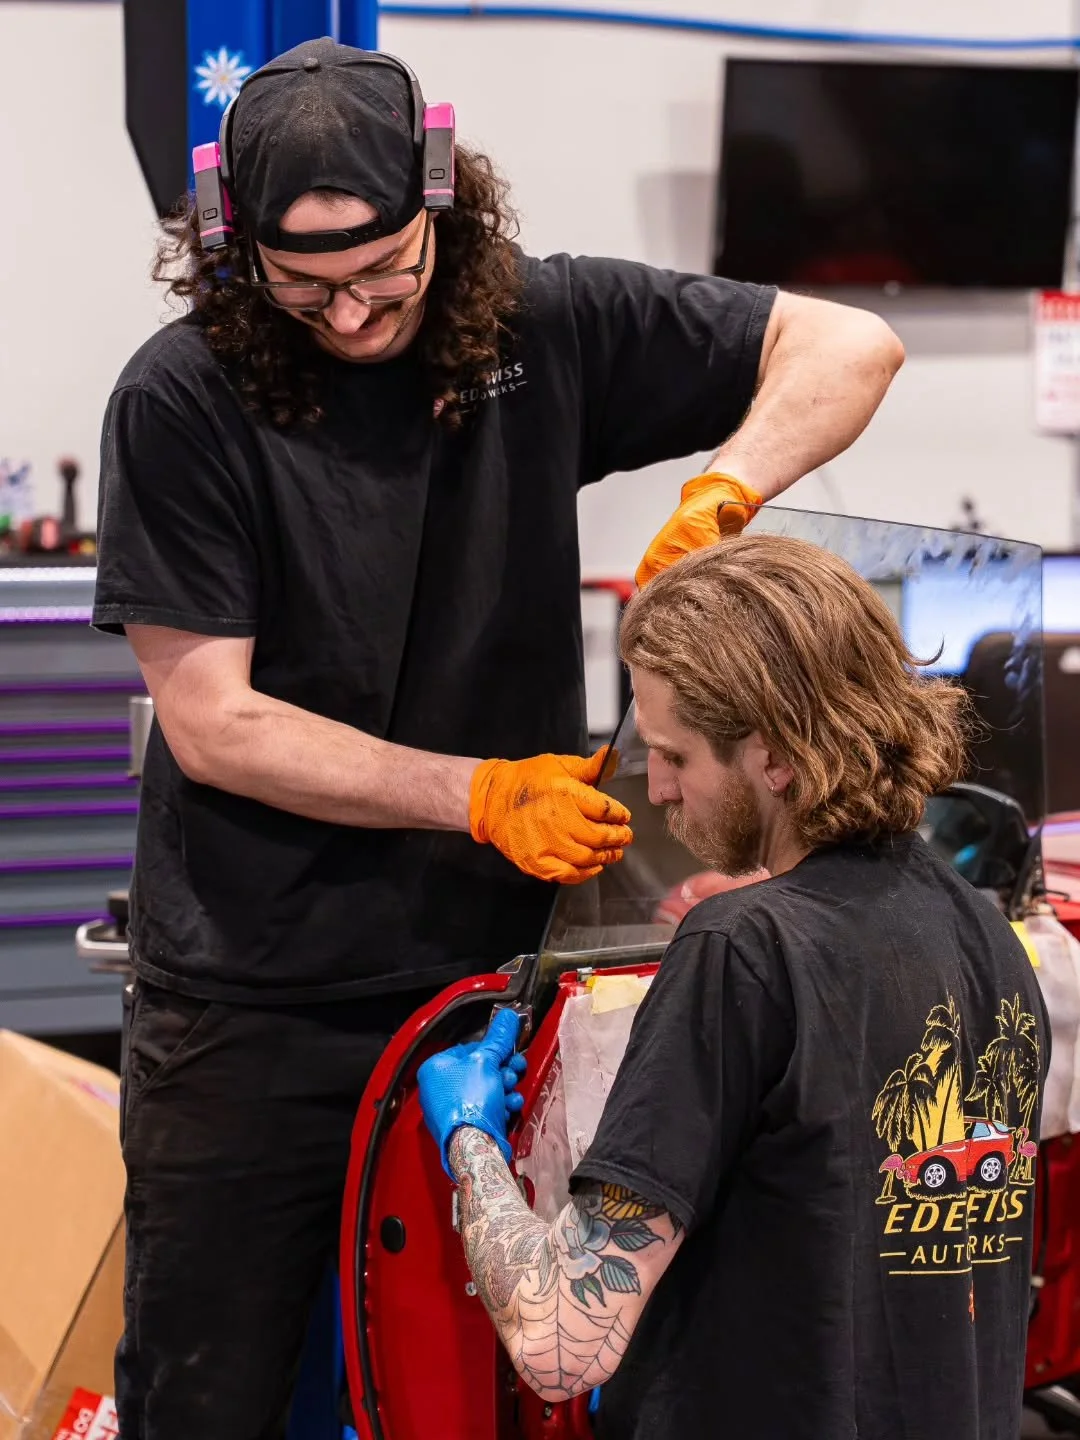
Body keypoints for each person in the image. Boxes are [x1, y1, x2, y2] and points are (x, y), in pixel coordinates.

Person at [93, 33, 903, 1437]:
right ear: (237, 255)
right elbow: (214, 724)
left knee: (487, 1387)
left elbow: (846, 344)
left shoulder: (540, 323)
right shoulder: (182, 398)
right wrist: (476, 793)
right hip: (255, 999)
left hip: (498, 990)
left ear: (439, 206)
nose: (350, 318)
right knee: (209, 1391)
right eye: (303, 287)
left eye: (383, 274)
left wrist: (725, 491)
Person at [419, 533, 1049, 1440]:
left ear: (777, 756)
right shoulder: (984, 932)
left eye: (674, 756)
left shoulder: (743, 947)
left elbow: (562, 1341)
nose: (660, 794)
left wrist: (471, 1139)